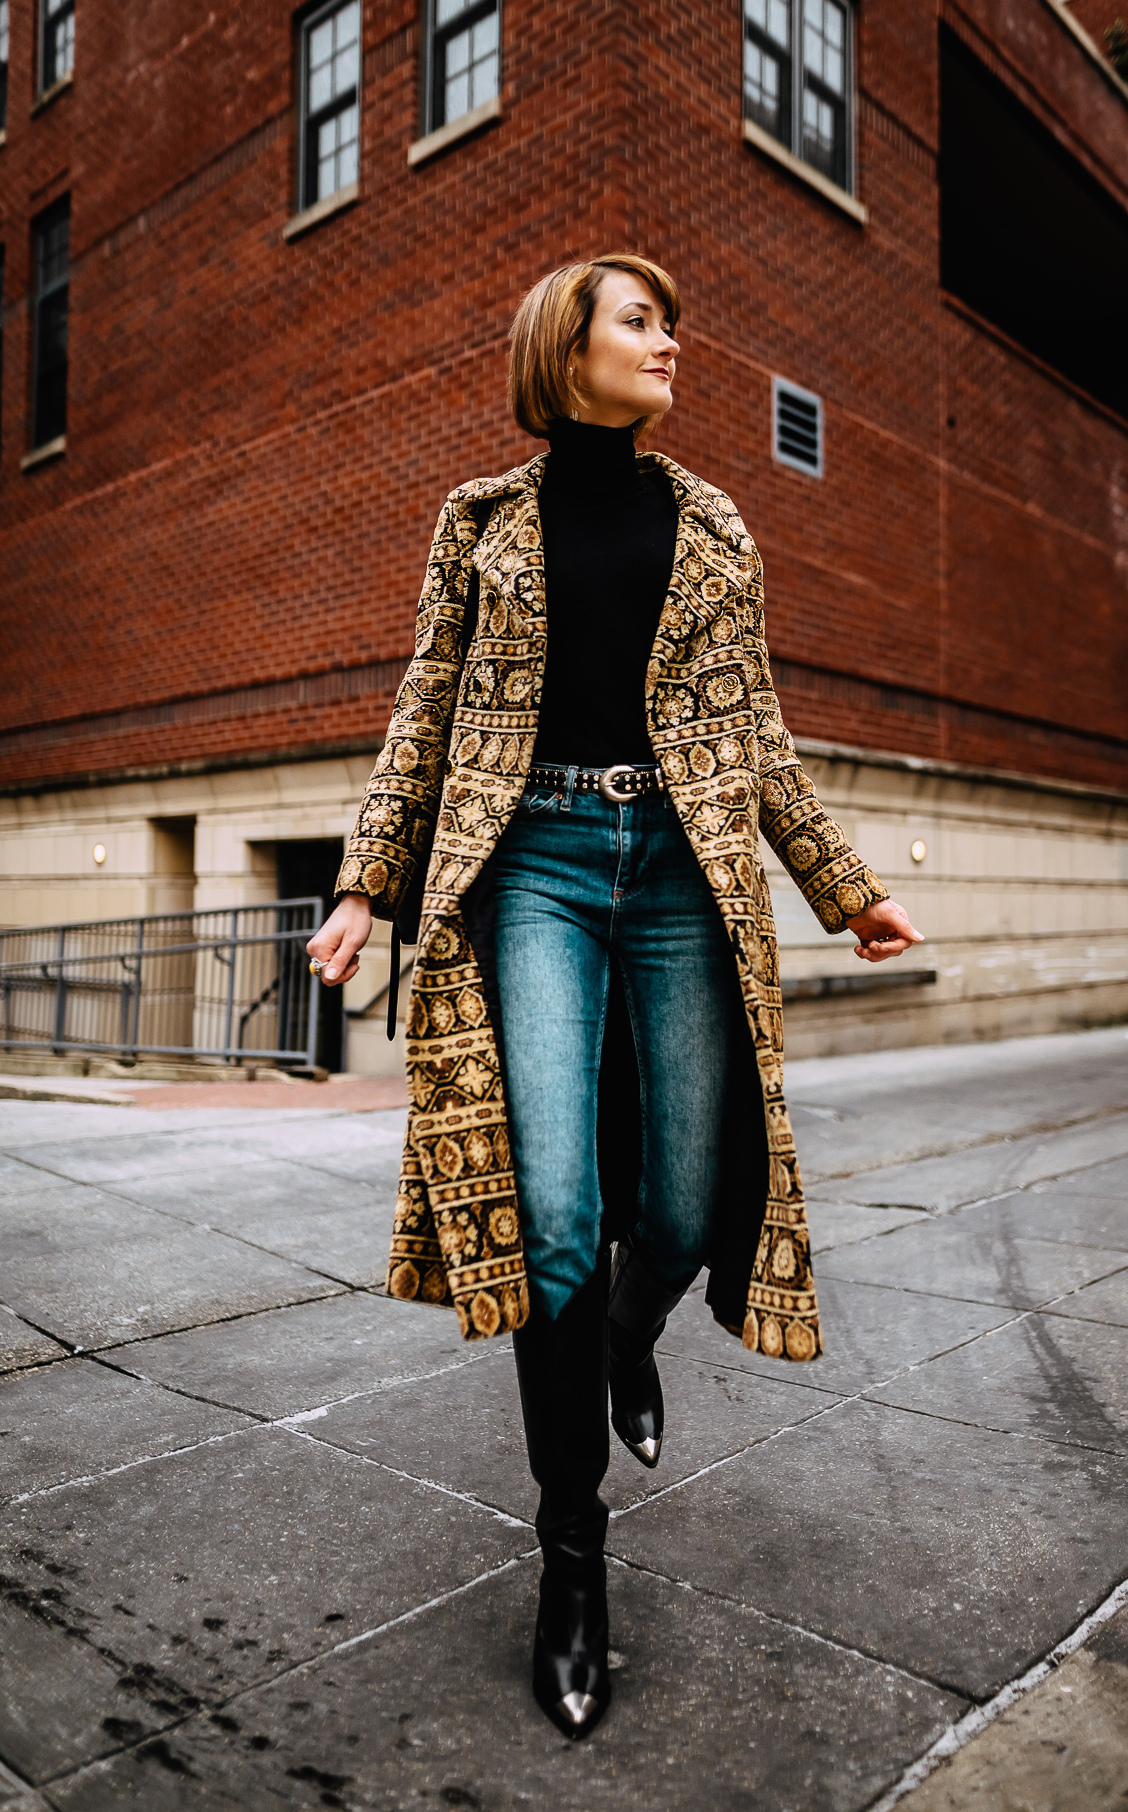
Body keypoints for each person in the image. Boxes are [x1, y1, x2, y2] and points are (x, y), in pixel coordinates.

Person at [306, 254, 923, 1738]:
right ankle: (571, 1560)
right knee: (556, 1208)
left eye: (668, 320)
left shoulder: (713, 523)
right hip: (538, 862)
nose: (669, 339)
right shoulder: (480, 522)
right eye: (639, 319)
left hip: (679, 870)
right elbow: (426, 708)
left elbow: (760, 736)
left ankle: (632, 1338)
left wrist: (844, 885)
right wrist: (361, 884)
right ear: (563, 345)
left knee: (698, 1200)